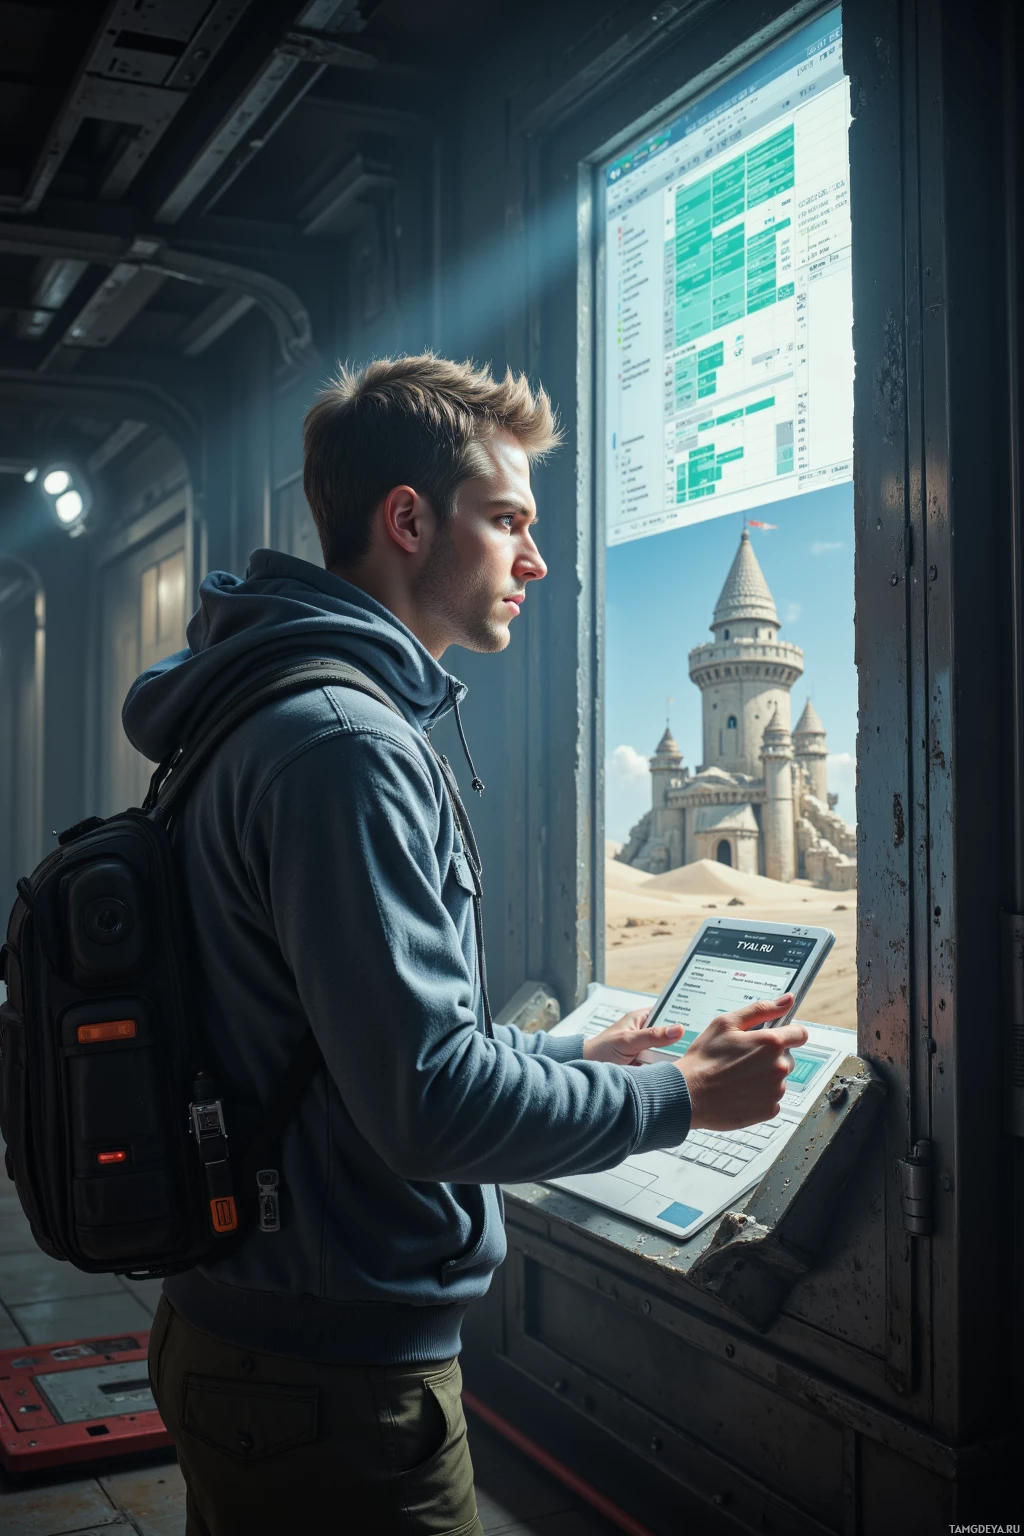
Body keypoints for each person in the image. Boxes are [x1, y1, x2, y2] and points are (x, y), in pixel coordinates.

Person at [126, 354, 806, 1535]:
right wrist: (678, 1101)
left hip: (253, 1335)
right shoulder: (346, 744)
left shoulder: (262, 708)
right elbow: (425, 1105)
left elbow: (349, 1046)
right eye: (507, 520)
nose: (534, 561)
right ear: (407, 521)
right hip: (334, 1387)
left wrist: (574, 1069)